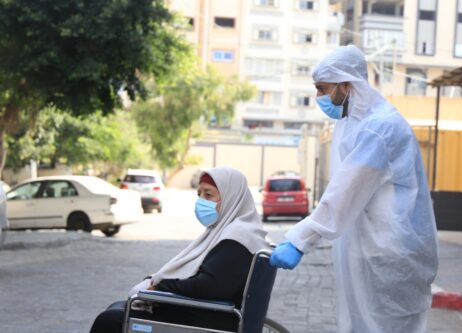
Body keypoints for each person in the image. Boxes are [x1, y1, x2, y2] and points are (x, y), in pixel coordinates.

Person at [270, 45, 438, 332]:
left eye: (323, 89)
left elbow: (344, 194)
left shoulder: (379, 128)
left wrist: (300, 240)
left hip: (389, 256)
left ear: (347, 85)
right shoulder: (354, 124)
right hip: (371, 252)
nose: (319, 98)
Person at [90, 167, 269, 333]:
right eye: (199, 194)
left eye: (209, 195)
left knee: (110, 321)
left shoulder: (237, 237)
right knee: (117, 308)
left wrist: (161, 285)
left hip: (207, 318)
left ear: (232, 197)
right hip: (204, 310)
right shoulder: (232, 231)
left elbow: (210, 286)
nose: (202, 201)